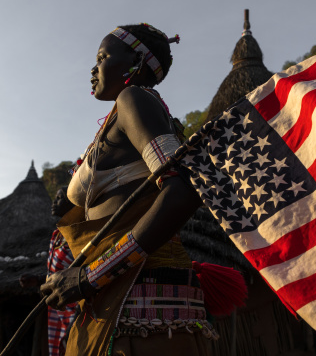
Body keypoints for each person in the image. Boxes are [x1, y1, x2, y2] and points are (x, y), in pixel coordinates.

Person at [39, 23, 216, 356]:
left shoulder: (133, 98)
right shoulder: (123, 117)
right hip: (124, 302)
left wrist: (90, 277)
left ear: (134, 60)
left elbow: (183, 190)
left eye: (102, 57)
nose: (93, 68)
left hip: (138, 312)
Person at [19, 187, 78, 356]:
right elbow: (54, 273)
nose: (54, 202)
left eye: (59, 198)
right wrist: (38, 280)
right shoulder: (56, 235)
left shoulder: (78, 233)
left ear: (72, 203)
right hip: (55, 306)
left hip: (74, 308)